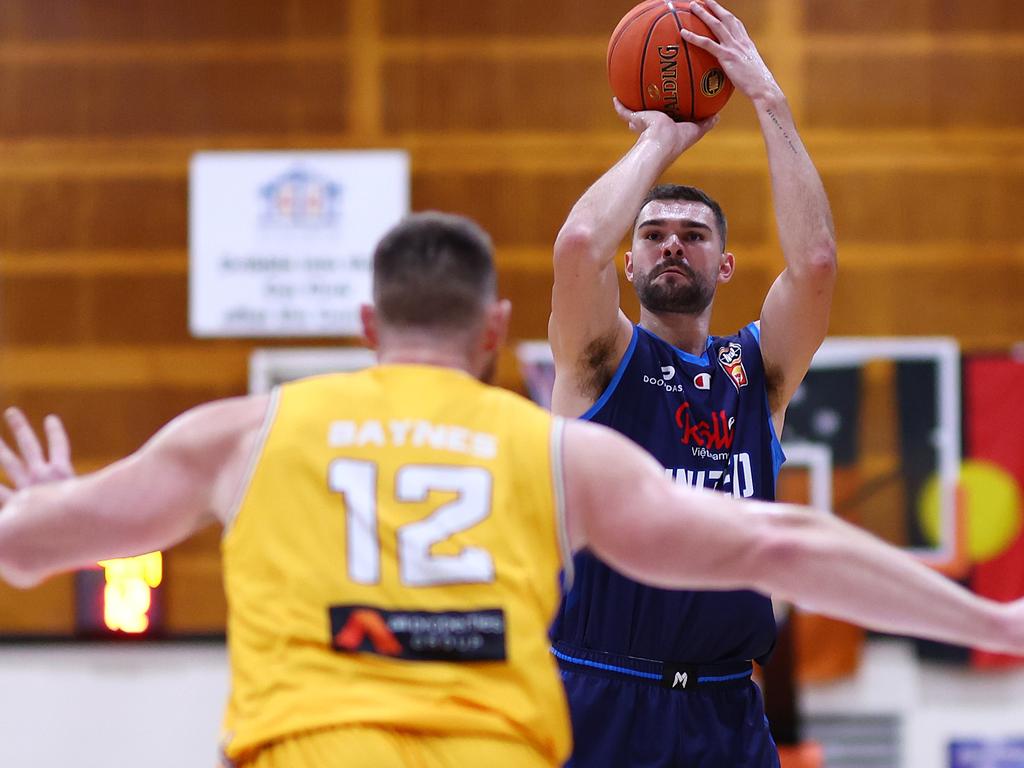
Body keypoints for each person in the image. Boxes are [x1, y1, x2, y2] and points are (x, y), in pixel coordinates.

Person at [1, 212, 1022, 768]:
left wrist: (44, 510)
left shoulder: (249, 430)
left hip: (314, 745)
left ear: (366, 326)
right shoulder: (547, 448)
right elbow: (782, 544)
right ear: (494, 334)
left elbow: (27, 552)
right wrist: (992, 619)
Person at [548, 1, 837, 765]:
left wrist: (770, 100)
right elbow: (578, 245)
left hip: (724, 708)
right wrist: (660, 142)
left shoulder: (757, 374)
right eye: (652, 235)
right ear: (631, 265)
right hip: (597, 690)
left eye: (694, 235)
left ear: (724, 264)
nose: (673, 244)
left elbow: (815, 269)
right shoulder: (599, 358)